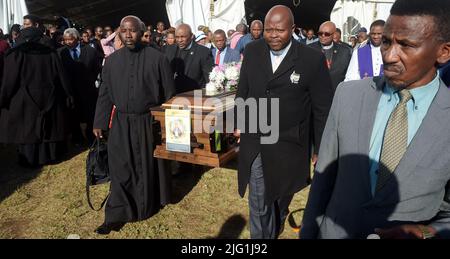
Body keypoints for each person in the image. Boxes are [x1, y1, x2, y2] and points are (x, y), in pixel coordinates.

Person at [301, 0, 450, 239]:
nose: (389, 56)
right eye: (387, 42)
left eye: (406, 45)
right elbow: (322, 182)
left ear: (443, 52)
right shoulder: (347, 95)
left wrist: (427, 232)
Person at [234, 5, 334, 239]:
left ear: (293, 29)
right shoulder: (252, 51)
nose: (273, 35)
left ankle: (277, 217)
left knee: (281, 193)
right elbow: (243, 92)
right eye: (268, 29)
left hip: (291, 143)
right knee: (259, 199)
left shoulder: (311, 59)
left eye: (279, 30)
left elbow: (322, 108)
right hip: (257, 139)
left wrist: (320, 147)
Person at [92, 15, 176, 235]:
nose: (128, 35)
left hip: (147, 122)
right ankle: (116, 212)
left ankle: (147, 205)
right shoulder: (111, 62)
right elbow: (105, 94)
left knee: (146, 165)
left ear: (141, 32)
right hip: (121, 122)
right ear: (119, 32)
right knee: (120, 166)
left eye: (133, 31)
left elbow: (169, 96)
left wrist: (166, 126)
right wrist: (100, 121)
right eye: (124, 30)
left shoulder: (158, 59)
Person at [0, 27, 74, 166]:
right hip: (49, 96)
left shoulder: (16, 54)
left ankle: (30, 159)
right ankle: (51, 155)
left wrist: (4, 98)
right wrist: (67, 94)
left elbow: (9, 81)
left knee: (28, 130)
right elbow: (61, 77)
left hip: (25, 100)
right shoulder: (50, 53)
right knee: (49, 127)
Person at [58, 28, 103, 144]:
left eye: (71, 39)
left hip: (87, 88)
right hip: (70, 90)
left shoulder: (90, 51)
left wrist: (90, 80)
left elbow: (96, 68)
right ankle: (76, 137)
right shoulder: (61, 53)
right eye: (66, 39)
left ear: (77, 39)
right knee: (74, 114)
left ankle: (91, 136)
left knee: (89, 114)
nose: (68, 42)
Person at [163, 24, 214, 94]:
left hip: (196, 96)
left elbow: (209, 79)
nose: (180, 40)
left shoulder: (203, 52)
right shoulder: (169, 50)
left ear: (191, 36)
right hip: (175, 96)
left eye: (183, 37)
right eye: (177, 37)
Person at [310, 21, 352, 91]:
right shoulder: (309, 49)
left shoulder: (345, 51)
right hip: (315, 93)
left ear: (334, 34)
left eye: (326, 34)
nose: (323, 36)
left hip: (337, 93)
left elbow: (348, 75)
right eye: (320, 33)